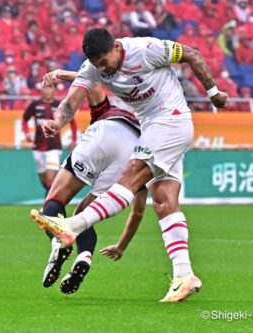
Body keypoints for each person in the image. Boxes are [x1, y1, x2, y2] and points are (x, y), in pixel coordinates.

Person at [30, 28, 228, 302]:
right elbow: (70, 102)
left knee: (131, 175)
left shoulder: (146, 49)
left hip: (170, 120)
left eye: (104, 61)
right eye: (97, 64)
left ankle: (74, 225)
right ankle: (184, 275)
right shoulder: (93, 68)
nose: (103, 69)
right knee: (163, 201)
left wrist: (213, 92)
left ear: (116, 47)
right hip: (152, 127)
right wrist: (57, 123)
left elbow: (192, 54)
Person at [38, 68, 146, 294]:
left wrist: (59, 73)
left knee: (56, 199)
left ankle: (59, 241)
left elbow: (93, 83)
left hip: (106, 132)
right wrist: (121, 247)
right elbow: (138, 211)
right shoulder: (150, 141)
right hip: (133, 154)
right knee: (85, 215)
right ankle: (84, 256)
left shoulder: (109, 109)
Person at [22, 84, 77, 195]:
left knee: (50, 178)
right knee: (44, 180)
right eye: (45, 88)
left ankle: (47, 208)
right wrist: (27, 133)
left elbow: (73, 122)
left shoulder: (60, 105)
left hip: (54, 147)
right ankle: (50, 197)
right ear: (41, 90)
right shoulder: (35, 104)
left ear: (54, 90)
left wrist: (74, 139)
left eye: (50, 88)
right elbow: (24, 120)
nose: (47, 91)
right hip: (38, 147)